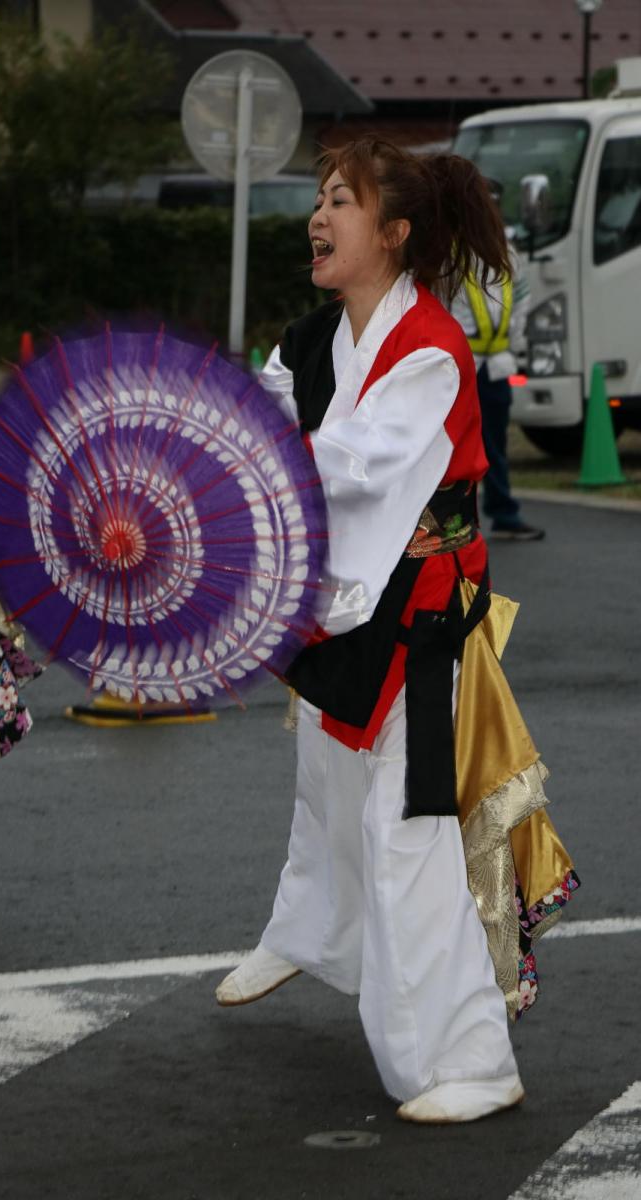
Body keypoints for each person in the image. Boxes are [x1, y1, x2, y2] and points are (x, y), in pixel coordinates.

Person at [215, 138, 577, 1125]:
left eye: (342, 200)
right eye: (320, 198)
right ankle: (313, 936)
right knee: (327, 791)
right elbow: (266, 407)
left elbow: (352, 465)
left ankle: (471, 1055)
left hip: (418, 618)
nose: (317, 216)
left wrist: (233, 460)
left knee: (405, 829)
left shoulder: (427, 349)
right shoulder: (317, 336)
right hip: (350, 598)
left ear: (395, 232)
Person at [451, 188, 543, 541]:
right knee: (457, 447)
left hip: (496, 364)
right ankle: (458, 520)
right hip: (460, 365)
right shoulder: (448, 255)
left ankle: (501, 513)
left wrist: (515, 348)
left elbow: (522, 301)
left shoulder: (508, 254)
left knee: (494, 445)